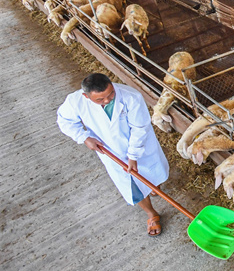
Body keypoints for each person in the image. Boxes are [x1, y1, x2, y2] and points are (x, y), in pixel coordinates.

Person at [57, 73, 169, 236]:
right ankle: (151, 213)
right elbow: (64, 120)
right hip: (111, 151)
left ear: (112, 85)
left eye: (111, 94)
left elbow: (140, 128)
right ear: (85, 96)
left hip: (140, 147)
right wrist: (84, 137)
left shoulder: (131, 97)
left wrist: (133, 156)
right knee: (133, 187)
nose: (107, 100)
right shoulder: (75, 102)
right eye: (100, 100)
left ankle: (153, 186)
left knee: (152, 174)